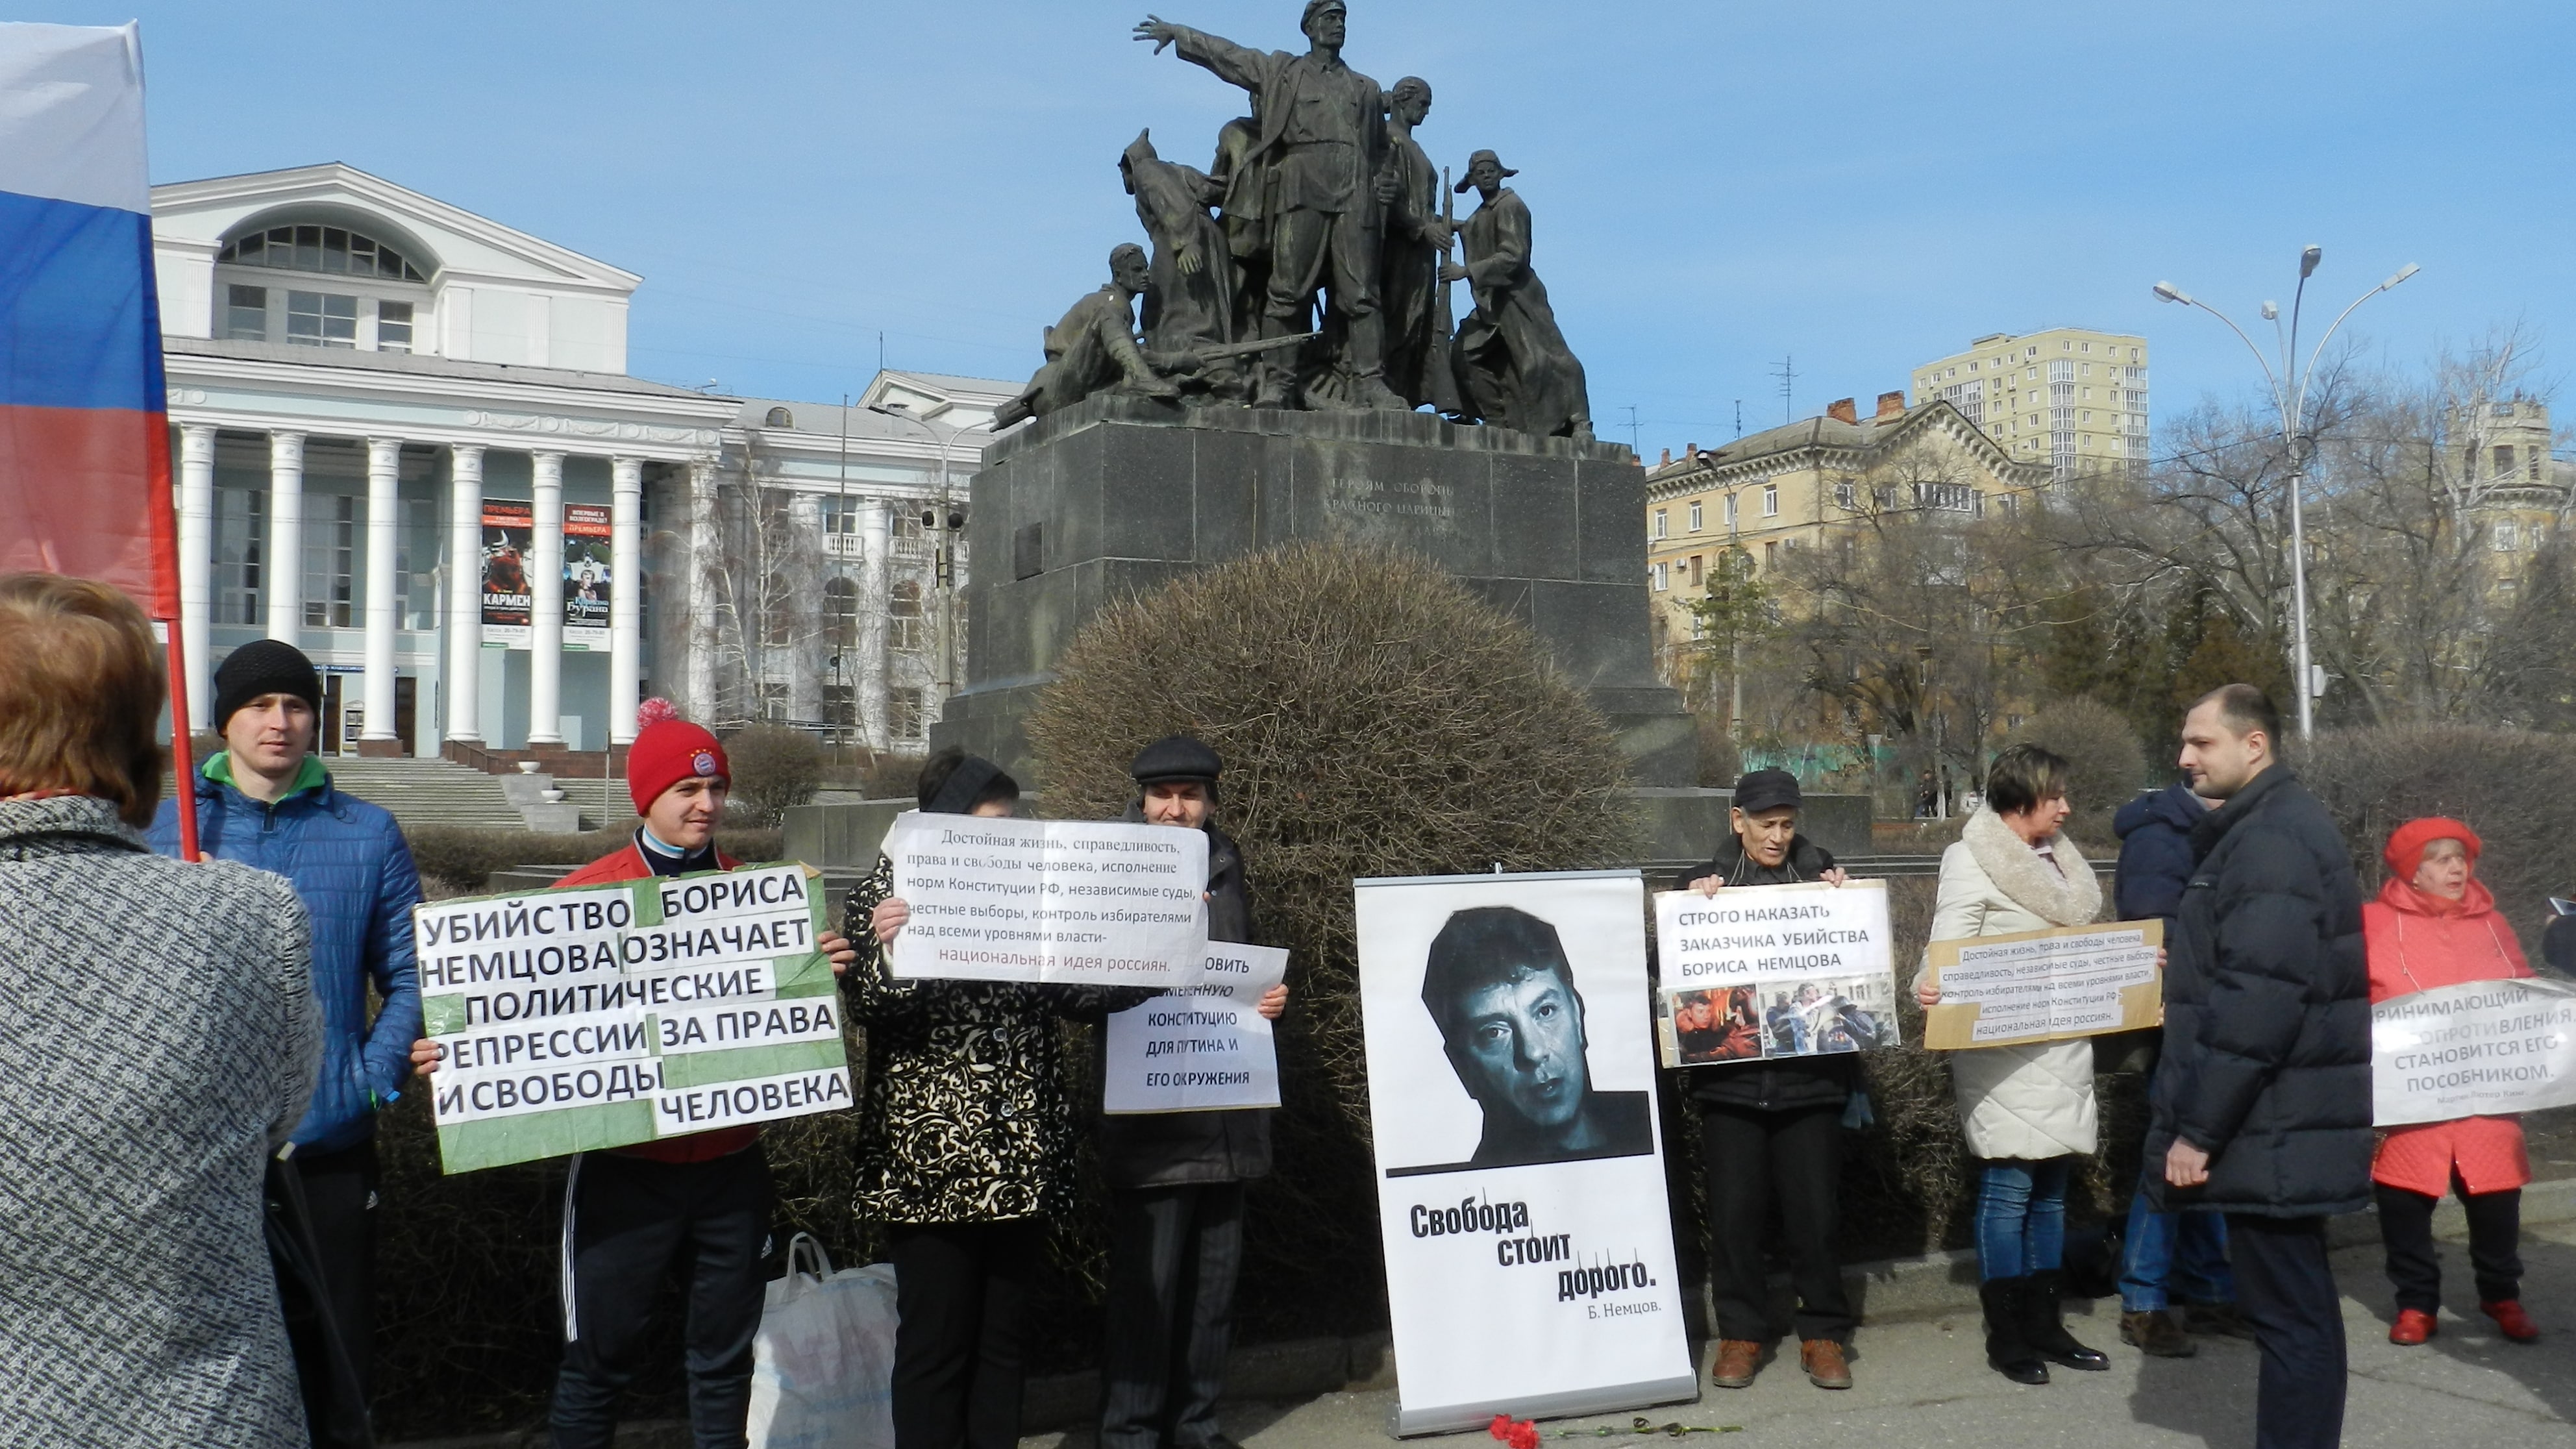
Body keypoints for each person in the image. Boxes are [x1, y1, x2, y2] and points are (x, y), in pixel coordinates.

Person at [411, 705, 860, 1449]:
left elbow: (783, 1018)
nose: (706, 805)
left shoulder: (766, 897)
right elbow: (512, 1012)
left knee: (724, 1364)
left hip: (731, 1167)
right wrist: (455, 1050)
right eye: (687, 790)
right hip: (624, 1174)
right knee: (597, 1364)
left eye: (715, 789)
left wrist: (821, 970)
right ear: (647, 796)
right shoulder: (583, 897)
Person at [0, 573, 322, 1445]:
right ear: (138, 735)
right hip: (210, 1416)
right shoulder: (250, 917)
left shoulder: (249, 916)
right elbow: (276, 1116)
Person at [143, 638, 423, 1442]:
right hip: (198, 1152)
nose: (280, 722)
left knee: (336, 1370)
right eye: (259, 705)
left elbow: (413, 975)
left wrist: (370, 1078)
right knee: (212, 1373)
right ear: (224, 721)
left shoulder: (367, 833)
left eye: (297, 706)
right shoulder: (165, 830)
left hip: (327, 1146)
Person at [847, 750, 1144, 1449]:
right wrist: (890, 948)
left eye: (1011, 826)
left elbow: (1078, 994)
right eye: (990, 828)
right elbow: (871, 1006)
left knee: (1003, 1342)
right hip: (928, 1160)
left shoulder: (1030, 893)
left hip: (1019, 1154)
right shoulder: (883, 892)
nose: (1003, 841)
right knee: (935, 1342)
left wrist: (1162, 952)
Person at [2144, 684, 2369, 1449]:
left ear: (2253, 745)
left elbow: (2257, 1006)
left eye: (2200, 742)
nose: (2183, 757)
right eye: (2183, 742)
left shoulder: (2271, 838)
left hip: (2271, 1121)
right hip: (2277, 1118)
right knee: (2293, 1312)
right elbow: (2251, 971)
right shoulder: (2261, 828)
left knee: (2290, 1320)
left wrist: (2197, 1132)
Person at [1098, 737, 1290, 1449]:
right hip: (1152, 1118)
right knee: (1144, 1296)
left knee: (1212, 1293)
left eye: (1190, 796)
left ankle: (1196, 1429)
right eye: (1163, 796)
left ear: (1209, 802)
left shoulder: (1227, 861)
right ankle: (1130, 1434)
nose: (1175, 810)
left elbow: (1240, 965)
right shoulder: (1108, 869)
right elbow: (1085, 985)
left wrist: (1268, 1000)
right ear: (1142, 800)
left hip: (1227, 1110)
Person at [1914, 745, 2111, 1385]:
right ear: (2020, 799)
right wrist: (1930, 986)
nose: (2065, 808)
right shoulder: (1970, 858)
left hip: (2063, 1045)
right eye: (2054, 796)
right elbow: (1947, 946)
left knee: (2051, 1193)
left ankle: (2046, 1325)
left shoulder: (2061, 860)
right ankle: (2007, 1334)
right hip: (2002, 1053)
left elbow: (2082, 951)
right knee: (2009, 1189)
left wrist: (2130, 967)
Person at [1674, 767, 1859, 1392]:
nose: (1778, 836)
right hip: (1731, 1088)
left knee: (1816, 1218)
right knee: (1735, 1220)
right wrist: (1689, 911)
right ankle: (1741, 1334)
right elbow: (1668, 974)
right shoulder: (1702, 885)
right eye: (1766, 824)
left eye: (1787, 824)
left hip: (1811, 1083)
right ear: (1738, 821)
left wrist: (1846, 901)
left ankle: (1824, 1334)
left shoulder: (1823, 879)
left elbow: (1856, 960)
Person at [1133, 1, 1409, 411]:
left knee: (1363, 294)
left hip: (1355, 194)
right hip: (1301, 189)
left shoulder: (1366, 89)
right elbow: (1231, 57)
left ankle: (1371, 381)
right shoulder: (1284, 71)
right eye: (1329, 18)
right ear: (1309, 28)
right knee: (1287, 290)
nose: (1338, 25)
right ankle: (1278, 382)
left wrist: (1386, 178)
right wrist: (1180, 34)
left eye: (1342, 18)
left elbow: (1380, 150)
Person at [2365, 818, 2542, 1346]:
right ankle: (2417, 1304)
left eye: (2461, 857)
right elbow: (2350, 990)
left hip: (2486, 1094)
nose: (2456, 868)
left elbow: (2523, 989)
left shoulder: (2493, 924)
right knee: (2403, 1202)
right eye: (2441, 859)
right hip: (2412, 1094)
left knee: (2496, 1201)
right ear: (2413, 871)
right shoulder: (2374, 922)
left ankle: (2501, 1294)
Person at [2107, 778, 2243, 1357]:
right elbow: (2153, 934)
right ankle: (2144, 1301)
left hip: (2216, 1010)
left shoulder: (2215, 827)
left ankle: (2210, 1289)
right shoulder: (2160, 836)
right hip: (2183, 1018)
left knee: (2205, 1152)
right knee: (2173, 1152)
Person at [1404, 905, 1653, 1174]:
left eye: (1545, 1011)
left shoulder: (1652, 1118)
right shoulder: (1478, 1189)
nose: (1533, 1052)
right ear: (1463, 1066)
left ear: (1577, 1016)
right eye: (1494, 1032)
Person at [1444, 149, 1592, 440]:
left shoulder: (1511, 205)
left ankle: (1579, 421)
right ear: (1472, 180)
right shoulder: (1482, 213)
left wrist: (1467, 271)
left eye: (1491, 171)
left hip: (1519, 297)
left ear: (1501, 174)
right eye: (1480, 173)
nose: (1486, 176)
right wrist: (1446, 224)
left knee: (1547, 360)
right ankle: (1497, 419)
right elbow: (1473, 227)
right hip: (1493, 304)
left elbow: (1514, 257)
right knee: (1463, 353)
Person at [994, 245, 1189, 428]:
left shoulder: (1110, 301)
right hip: (1057, 387)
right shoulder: (1112, 303)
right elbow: (1128, 356)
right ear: (1118, 275)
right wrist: (1175, 360)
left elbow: (1122, 354)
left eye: (1146, 269)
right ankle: (1142, 379)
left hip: (1064, 387)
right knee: (1107, 316)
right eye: (1137, 270)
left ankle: (1141, 381)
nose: (1146, 275)